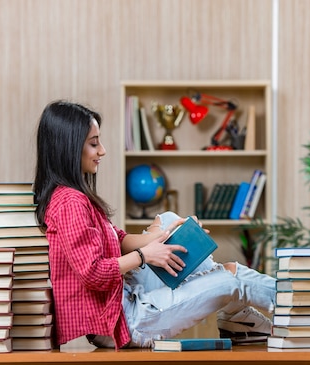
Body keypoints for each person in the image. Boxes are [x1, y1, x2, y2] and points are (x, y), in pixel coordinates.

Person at [33, 100, 277, 349]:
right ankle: (298, 304)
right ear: (69, 148)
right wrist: (144, 255)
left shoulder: (74, 197)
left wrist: (164, 235)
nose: (102, 150)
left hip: (121, 303)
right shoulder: (70, 203)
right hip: (122, 321)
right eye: (94, 143)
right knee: (231, 279)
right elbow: (92, 273)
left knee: (170, 221)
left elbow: (116, 240)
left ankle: (237, 319)